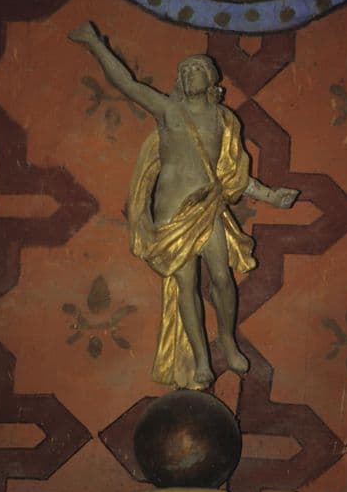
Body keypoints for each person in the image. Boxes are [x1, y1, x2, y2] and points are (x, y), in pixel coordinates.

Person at [69, 22, 299, 389]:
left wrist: (271, 196)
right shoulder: (168, 111)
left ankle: (227, 340)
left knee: (222, 277)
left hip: (207, 209)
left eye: (198, 69)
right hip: (171, 214)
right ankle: (201, 360)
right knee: (186, 285)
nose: (191, 73)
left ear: (211, 80)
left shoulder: (224, 120)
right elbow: (127, 84)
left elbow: (232, 174)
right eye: (186, 70)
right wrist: (96, 44)